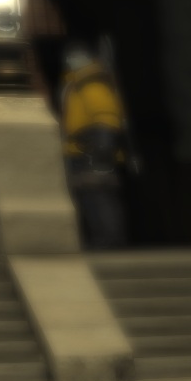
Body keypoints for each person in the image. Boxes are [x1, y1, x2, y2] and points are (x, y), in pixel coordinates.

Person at [58, 42, 130, 250]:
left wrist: (102, 145)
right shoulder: (77, 83)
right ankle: (102, 238)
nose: (71, 60)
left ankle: (110, 239)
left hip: (92, 149)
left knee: (99, 196)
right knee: (90, 197)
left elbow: (106, 115)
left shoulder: (91, 83)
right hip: (81, 149)